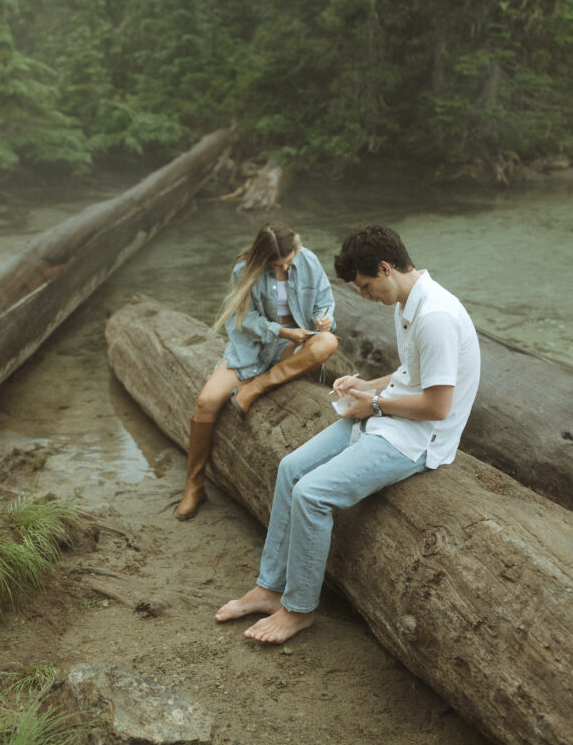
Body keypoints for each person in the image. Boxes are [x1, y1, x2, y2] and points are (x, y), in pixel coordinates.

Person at [215, 224, 480, 643]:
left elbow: (438, 406)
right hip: (388, 416)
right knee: (290, 469)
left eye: (366, 285)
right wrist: (368, 386)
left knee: (312, 494)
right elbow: (413, 375)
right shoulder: (409, 302)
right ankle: (269, 588)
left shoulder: (435, 317)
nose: (364, 296)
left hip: (417, 439)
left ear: (386, 268)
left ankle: (299, 609)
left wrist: (373, 405)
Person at [174, 221, 338, 521]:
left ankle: (257, 386)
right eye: (278, 264)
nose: (286, 268)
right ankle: (194, 486)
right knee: (206, 402)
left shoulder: (308, 260)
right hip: (254, 349)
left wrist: (323, 319)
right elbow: (244, 320)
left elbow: (325, 303)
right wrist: (281, 332)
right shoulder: (244, 271)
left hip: (294, 348)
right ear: (263, 258)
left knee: (328, 341)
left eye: (289, 261)